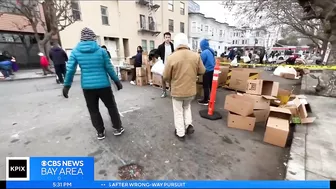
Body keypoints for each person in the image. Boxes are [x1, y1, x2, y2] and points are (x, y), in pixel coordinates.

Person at [62, 27, 124, 140]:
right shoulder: (101, 51)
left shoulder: (75, 52)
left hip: (87, 87)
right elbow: (109, 68)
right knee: (111, 106)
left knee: (93, 110)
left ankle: (100, 132)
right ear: (93, 38)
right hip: (104, 85)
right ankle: (117, 128)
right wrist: (116, 81)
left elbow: (70, 69)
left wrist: (67, 86)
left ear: (81, 39)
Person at [163, 33, 205, 141]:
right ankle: (188, 125)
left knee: (178, 111)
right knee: (187, 107)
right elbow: (202, 71)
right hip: (191, 90)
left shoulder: (171, 57)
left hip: (177, 91)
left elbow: (166, 76)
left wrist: (171, 81)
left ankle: (180, 133)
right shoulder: (195, 55)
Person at [156, 32, 174, 98]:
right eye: (166, 37)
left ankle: (172, 91)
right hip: (164, 65)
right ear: (164, 38)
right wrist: (158, 57)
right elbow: (156, 53)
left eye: (169, 37)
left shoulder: (173, 46)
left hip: (172, 65)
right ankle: (164, 92)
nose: (167, 39)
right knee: (163, 79)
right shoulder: (161, 47)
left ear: (170, 38)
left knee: (171, 79)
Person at [198, 39, 215, 106]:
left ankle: (205, 100)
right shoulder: (211, 51)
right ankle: (212, 98)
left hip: (207, 70)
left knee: (205, 86)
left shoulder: (204, 52)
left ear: (202, 45)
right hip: (212, 70)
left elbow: (201, 63)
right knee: (211, 85)